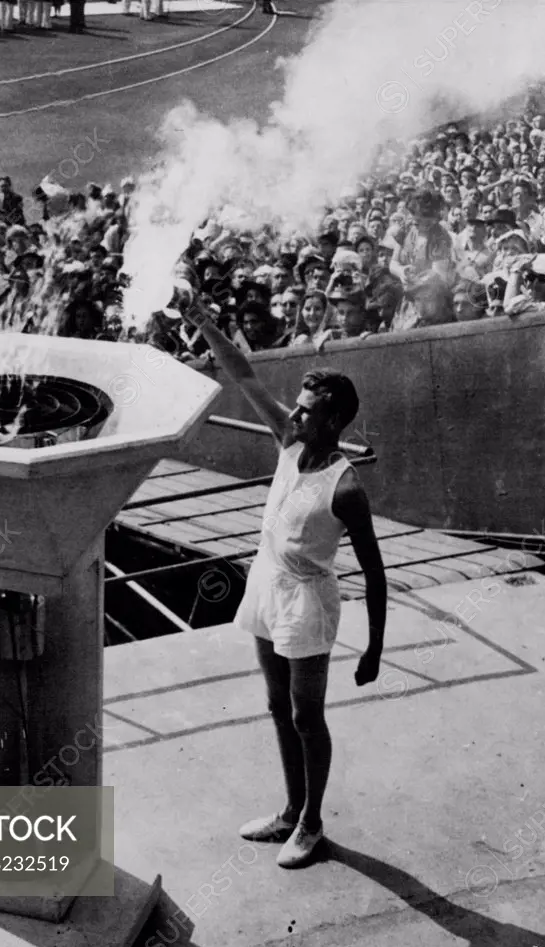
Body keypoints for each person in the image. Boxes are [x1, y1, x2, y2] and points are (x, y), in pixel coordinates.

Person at [180, 292, 386, 869]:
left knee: (305, 715)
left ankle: (313, 824)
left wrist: (374, 648)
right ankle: (290, 809)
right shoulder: (290, 442)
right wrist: (203, 320)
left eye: (307, 410)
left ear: (335, 422)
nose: (293, 415)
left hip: (309, 603)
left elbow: (374, 574)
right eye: (296, 407)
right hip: (267, 586)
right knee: (277, 706)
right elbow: (243, 374)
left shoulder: (346, 489)